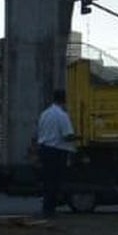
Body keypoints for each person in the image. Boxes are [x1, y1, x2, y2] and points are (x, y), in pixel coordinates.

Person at [36, 88, 76, 218]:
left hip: (44, 149)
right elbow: (67, 135)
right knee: (55, 182)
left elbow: (40, 132)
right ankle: (50, 210)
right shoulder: (62, 115)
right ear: (64, 100)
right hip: (57, 151)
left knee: (48, 181)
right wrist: (79, 137)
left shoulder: (45, 114)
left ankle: (47, 209)